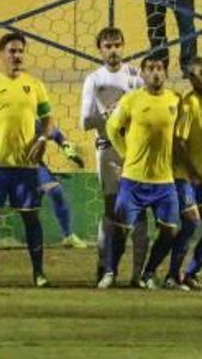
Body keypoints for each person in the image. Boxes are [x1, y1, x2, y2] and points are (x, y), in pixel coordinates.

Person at [0, 32, 53, 288]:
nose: (17, 56)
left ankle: (39, 273)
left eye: (20, 51)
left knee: (30, 217)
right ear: (1, 54)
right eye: (12, 51)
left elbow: (48, 119)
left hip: (25, 165)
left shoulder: (35, 85)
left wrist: (42, 140)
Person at [100, 55, 181, 289]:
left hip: (164, 180)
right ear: (143, 75)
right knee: (121, 230)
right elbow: (112, 127)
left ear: (165, 73)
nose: (156, 73)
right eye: (151, 69)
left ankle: (148, 272)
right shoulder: (131, 100)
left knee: (170, 230)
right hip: (133, 179)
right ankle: (110, 272)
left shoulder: (174, 100)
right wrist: (125, 154)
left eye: (160, 69)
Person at [80, 27, 150, 286]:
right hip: (108, 149)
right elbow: (85, 121)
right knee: (113, 210)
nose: (113, 51)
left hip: (135, 151)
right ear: (100, 49)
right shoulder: (94, 80)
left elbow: (147, 109)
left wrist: (124, 112)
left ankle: (139, 274)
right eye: (108, 46)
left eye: (117, 45)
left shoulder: (135, 76)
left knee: (139, 209)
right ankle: (105, 264)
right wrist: (107, 115)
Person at [164, 57, 202, 290]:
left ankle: (191, 272)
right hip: (184, 175)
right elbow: (178, 143)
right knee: (190, 222)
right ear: (191, 79)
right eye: (199, 73)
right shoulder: (189, 105)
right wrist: (191, 171)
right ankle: (171, 275)